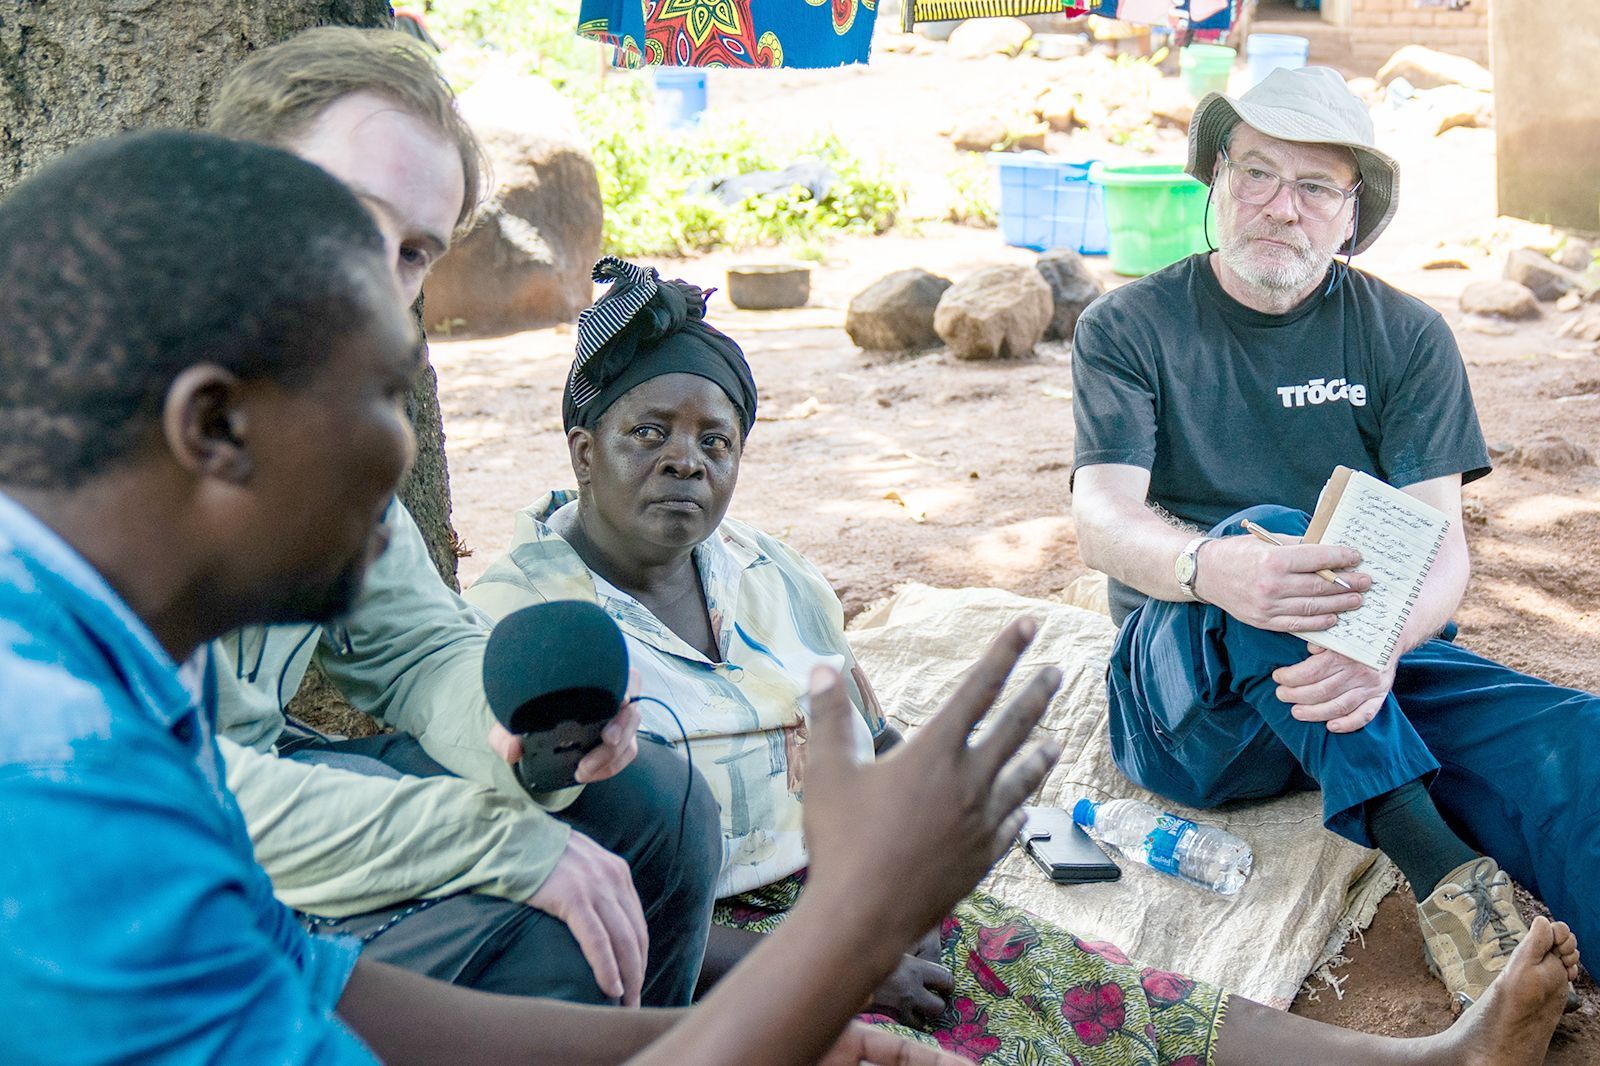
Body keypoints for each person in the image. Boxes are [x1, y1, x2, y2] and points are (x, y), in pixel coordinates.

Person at [0, 126, 1066, 1065]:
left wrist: (772, 1031)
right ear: (218, 428)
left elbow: (318, 987)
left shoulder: (105, 657)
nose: (404, 453)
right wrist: (852, 929)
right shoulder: (60, 774)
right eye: (384, 393)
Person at [463, 254, 1581, 1066]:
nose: (685, 462)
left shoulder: (765, 573)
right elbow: (552, 888)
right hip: (692, 943)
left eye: (715, 440)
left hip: (834, 881)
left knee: (1110, 994)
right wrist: (828, 947)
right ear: (582, 447)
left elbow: (868, 736)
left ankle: (1430, 1062)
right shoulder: (527, 628)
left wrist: (906, 877)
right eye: (647, 432)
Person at [201, 26, 718, 1009]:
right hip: (90, 862)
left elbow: (409, 647)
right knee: (538, 946)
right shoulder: (91, 400)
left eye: (410, 252)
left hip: (248, 777)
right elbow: (148, 790)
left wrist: (523, 731)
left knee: (653, 805)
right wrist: (498, 843)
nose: (373, 275)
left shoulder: (324, 402)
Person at [1069, 65, 1596, 1011]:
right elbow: (1103, 518)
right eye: (1259, 174)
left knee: (1578, 740)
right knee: (1273, 540)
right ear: (1216, 181)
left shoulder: (1407, 334)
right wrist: (1209, 568)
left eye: (1315, 186)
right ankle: (1437, 870)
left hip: (1362, 675)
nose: (1283, 207)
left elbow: (1442, 546)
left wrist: (1384, 646)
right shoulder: (1128, 324)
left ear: (1353, 213)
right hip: (1191, 703)